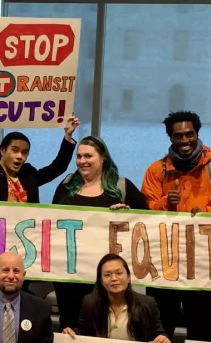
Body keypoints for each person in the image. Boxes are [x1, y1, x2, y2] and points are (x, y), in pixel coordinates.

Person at [140, 111, 211, 343]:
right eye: (178, 135)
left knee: (200, 328)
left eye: (189, 134)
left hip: (201, 263)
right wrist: (165, 204)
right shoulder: (155, 171)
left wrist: (204, 213)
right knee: (161, 328)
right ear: (170, 138)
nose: (184, 141)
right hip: (164, 263)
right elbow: (143, 214)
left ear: (197, 134)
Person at [50, 136, 148, 331]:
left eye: (88, 156)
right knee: (69, 326)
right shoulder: (67, 184)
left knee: (103, 327)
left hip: (105, 278)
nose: (82, 161)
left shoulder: (121, 187)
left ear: (103, 158)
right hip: (68, 276)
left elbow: (147, 223)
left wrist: (129, 214)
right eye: (78, 156)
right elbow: (52, 221)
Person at [0, 83, 78, 203]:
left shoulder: (29, 176)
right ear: (2, 150)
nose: (20, 156)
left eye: (24, 152)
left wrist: (68, 135)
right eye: (15, 150)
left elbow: (58, 167)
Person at [62, 254, 170, 343]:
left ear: (128, 277)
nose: (114, 279)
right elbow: (81, 331)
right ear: (101, 282)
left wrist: (163, 339)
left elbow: (159, 333)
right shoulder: (90, 303)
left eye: (119, 273)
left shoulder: (147, 303)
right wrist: (71, 334)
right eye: (107, 275)